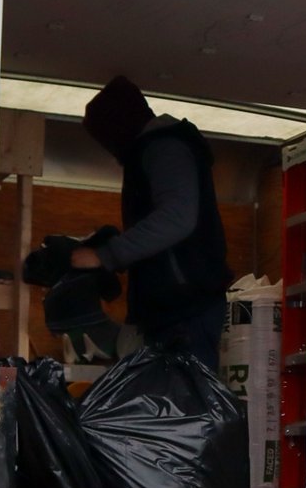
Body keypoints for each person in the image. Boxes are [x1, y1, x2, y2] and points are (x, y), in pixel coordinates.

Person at [70, 76, 232, 369]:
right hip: (174, 306)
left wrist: (106, 255)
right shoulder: (154, 151)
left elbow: (176, 218)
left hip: (185, 306)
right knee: (172, 403)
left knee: (182, 402)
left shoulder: (163, 150)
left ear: (119, 125)